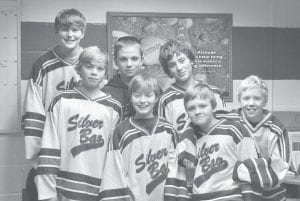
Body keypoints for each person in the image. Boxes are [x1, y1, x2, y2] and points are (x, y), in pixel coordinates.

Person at [35, 46, 122, 201]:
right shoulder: (61, 101)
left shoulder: (113, 108)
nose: (94, 72)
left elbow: (113, 157)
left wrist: (109, 193)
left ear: (105, 72)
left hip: (99, 188)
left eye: (100, 68)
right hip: (64, 188)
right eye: (89, 67)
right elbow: (49, 148)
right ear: (79, 68)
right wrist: (48, 194)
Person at [22, 8, 86, 200]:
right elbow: (33, 107)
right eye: (65, 29)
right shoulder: (42, 64)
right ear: (57, 31)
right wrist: (35, 148)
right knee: (50, 190)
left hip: (82, 136)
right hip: (52, 138)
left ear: (83, 32)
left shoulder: (91, 61)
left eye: (75, 30)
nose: (70, 34)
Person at [99, 73, 187, 201]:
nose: (142, 100)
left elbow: (174, 170)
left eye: (148, 95)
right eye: (137, 95)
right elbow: (114, 172)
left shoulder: (168, 130)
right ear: (130, 97)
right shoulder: (121, 131)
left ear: (156, 97)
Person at [177, 83, 259, 200]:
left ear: (213, 106)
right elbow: (189, 179)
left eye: (202, 106)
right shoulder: (189, 139)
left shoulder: (235, 129)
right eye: (191, 108)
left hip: (230, 196)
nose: (197, 111)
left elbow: (251, 168)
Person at [216, 75, 291, 200]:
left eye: (257, 98)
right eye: (246, 98)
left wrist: (243, 171)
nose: (251, 103)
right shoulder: (228, 120)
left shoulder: (277, 128)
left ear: (265, 101)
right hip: (235, 189)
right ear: (239, 99)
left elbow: (281, 166)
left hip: (268, 192)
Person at [157, 39, 225, 135]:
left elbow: (225, 129)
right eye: (172, 65)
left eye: (182, 61)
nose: (179, 68)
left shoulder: (214, 92)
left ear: (191, 61)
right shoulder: (165, 100)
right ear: (168, 71)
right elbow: (164, 137)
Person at [103, 36, 144, 120]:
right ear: (115, 62)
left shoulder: (151, 90)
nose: (129, 64)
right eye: (123, 59)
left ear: (142, 60)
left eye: (134, 59)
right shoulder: (105, 94)